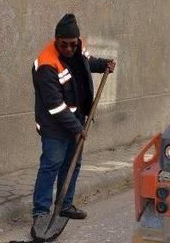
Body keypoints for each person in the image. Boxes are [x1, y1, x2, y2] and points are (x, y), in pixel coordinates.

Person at [31, 14, 115, 231]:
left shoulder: (77, 46)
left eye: (73, 44)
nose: (69, 49)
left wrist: (104, 63)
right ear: (56, 40)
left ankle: (65, 205)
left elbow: (86, 62)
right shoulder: (46, 64)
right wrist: (78, 129)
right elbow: (55, 105)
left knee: (73, 163)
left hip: (76, 119)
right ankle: (41, 211)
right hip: (54, 125)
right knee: (51, 165)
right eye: (64, 45)